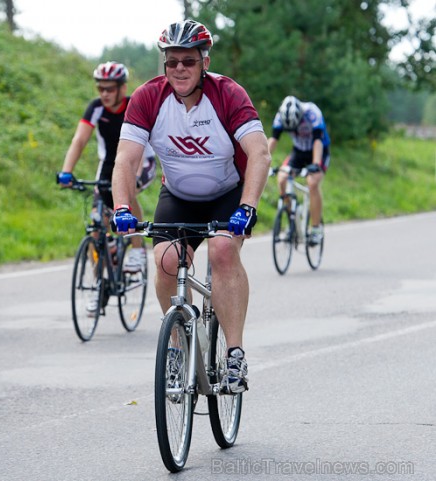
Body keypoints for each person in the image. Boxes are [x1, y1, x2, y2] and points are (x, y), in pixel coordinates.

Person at [111, 20, 271, 394]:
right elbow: (124, 161)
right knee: (167, 260)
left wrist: (247, 207)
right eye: (171, 62)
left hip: (227, 193)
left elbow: (259, 153)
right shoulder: (148, 98)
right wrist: (121, 207)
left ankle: (234, 353)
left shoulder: (227, 94)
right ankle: (179, 348)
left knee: (222, 251)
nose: (179, 69)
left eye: (188, 61)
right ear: (163, 65)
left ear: (204, 62)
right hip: (179, 196)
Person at [57, 61, 157, 274]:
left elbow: (138, 147)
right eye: (100, 88)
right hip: (110, 164)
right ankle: (99, 283)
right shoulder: (96, 108)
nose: (104, 93)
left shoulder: (134, 105)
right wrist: (66, 172)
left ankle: (137, 251)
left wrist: (136, 177)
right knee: (96, 223)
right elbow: (79, 140)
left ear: (122, 87)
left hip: (140, 161)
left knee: (128, 193)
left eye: (109, 88)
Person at [267, 95, 330, 244]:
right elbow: (273, 140)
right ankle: (292, 223)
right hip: (299, 151)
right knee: (282, 179)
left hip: (319, 150)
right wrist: (263, 162)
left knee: (312, 182)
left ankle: (315, 229)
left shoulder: (312, 112)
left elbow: (318, 141)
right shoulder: (280, 116)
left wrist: (315, 164)